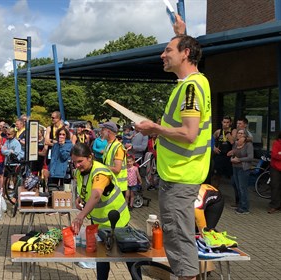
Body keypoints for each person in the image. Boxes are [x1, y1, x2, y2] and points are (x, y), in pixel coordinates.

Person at [136, 15, 211, 279]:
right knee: (178, 239)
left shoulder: (190, 89)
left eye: (168, 50)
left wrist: (154, 130)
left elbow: (189, 134)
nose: (162, 55)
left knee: (179, 242)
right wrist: (181, 33)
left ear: (185, 53)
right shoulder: (193, 83)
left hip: (180, 177)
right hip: (180, 175)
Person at [70, 143, 130, 280]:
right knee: (102, 256)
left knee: (129, 255)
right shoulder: (80, 172)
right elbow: (86, 188)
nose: (77, 165)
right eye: (74, 162)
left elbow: (96, 194)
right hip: (99, 222)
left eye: (80, 161)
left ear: (90, 157)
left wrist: (80, 217)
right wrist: (80, 197)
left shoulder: (100, 172)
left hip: (117, 220)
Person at [227, 129, 253, 215]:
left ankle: (245, 208)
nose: (240, 135)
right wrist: (232, 158)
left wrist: (239, 160)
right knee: (237, 187)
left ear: (245, 135)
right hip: (235, 167)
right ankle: (240, 205)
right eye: (239, 133)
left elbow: (250, 157)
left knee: (243, 188)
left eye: (242, 133)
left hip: (243, 168)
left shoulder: (248, 145)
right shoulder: (235, 144)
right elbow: (233, 153)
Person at [101, 122, 128, 193]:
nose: (101, 132)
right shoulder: (109, 144)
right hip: (111, 184)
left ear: (108, 131)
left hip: (118, 187)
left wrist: (101, 168)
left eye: (102, 130)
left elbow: (117, 169)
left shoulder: (118, 147)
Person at [212, 116, 234, 187]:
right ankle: (215, 191)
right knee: (217, 176)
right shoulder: (218, 132)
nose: (226, 124)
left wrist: (227, 133)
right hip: (220, 155)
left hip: (229, 156)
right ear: (222, 122)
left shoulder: (233, 131)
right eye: (224, 122)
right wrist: (214, 147)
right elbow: (210, 140)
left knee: (231, 176)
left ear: (230, 123)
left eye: (227, 122)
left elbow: (233, 142)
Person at [269, 132, 281, 214]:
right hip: (276, 168)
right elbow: (274, 155)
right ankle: (274, 205)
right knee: (275, 186)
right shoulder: (276, 143)